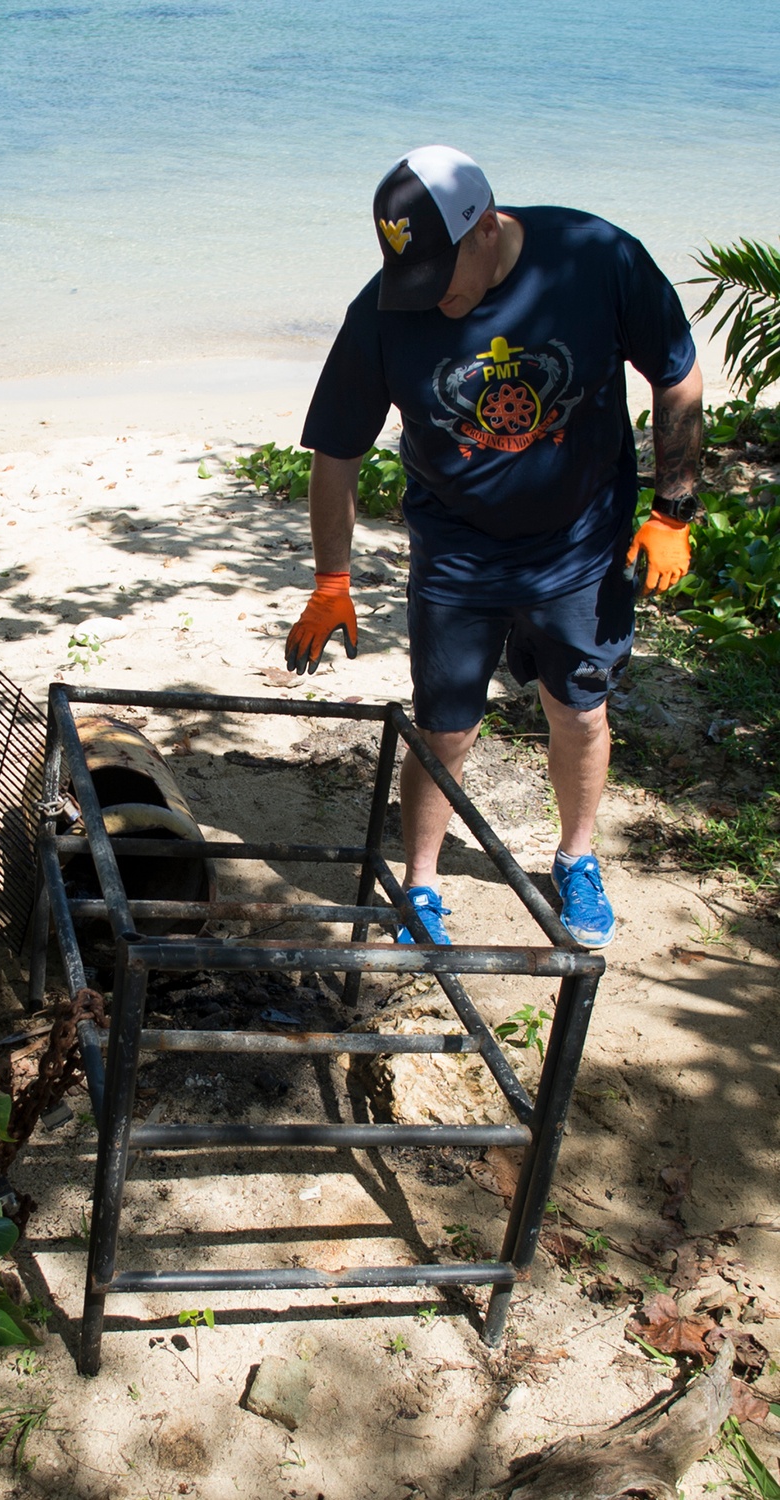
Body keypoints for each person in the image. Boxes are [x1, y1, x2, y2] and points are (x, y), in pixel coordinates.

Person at [285, 145, 702, 949]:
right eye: (412, 277)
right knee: (445, 724)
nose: (431, 298)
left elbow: (677, 375)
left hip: (581, 539)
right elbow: (337, 452)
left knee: (577, 708)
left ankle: (577, 859)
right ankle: (421, 884)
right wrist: (331, 579)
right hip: (457, 552)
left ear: (485, 230)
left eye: (441, 274)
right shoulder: (387, 310)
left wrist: (673, 509)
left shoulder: (596, 258)